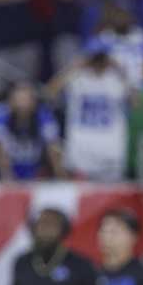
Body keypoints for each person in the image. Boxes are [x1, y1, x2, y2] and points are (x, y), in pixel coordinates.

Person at [46, 40, 131, 181]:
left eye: (101, 58)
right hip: (82, 152)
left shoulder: (116, 79)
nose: (98, 62)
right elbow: (49, 92)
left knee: (110, 200)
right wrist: (74, 67)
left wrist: (120, 71)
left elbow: (136, 102)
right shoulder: (77, 78)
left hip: (110, 151)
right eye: (95, 58)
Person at [0, 82, 63, 180]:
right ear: (11, 101)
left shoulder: (43, 115)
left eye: (26, 99)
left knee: (55, 147)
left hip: (35, 169)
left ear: (33, 101)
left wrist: (60, 175)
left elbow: (53, 145)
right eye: (18, 99)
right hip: (4, 170)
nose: (22, 104)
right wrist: (7, 177)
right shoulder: (2, 114)